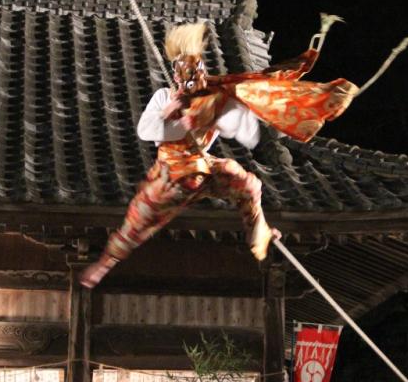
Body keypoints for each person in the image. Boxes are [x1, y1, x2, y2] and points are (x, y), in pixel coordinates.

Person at [79, 21, 357, 288]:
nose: (191, 81)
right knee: (138, 222)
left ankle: (256, 232)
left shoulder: (215, 96)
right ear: (176, 76)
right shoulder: (165, 97)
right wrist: (172, 118)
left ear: (202, 71)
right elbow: (145, 131)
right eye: (185, 76)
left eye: (196, 73)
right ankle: (105, 263)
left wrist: (216, 116)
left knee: (248, 184)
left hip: (205, 170)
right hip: (172, 175)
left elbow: (254, 109)